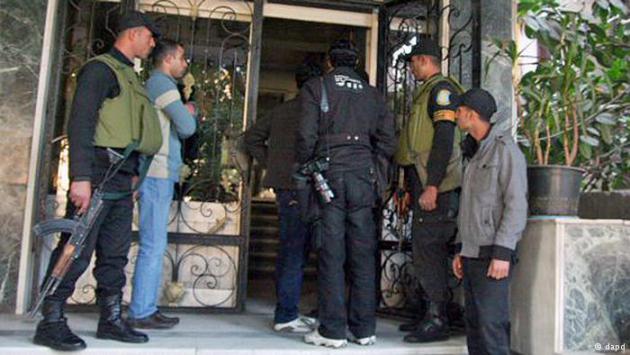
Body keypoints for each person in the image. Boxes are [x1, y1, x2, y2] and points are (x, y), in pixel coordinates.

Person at [33, 11, 161, 351]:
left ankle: (111, 318)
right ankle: (51, 320)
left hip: (122, 177)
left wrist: (134, 173)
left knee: (115, 253)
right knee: (75, 249)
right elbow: (81, 125)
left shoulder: (129, 75)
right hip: (99, 173)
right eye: (150, 36)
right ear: (133, 34)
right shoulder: (100, 70)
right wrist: (81, 178)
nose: (152, 43)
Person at [297, 39, 395, 348]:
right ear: (355, 64)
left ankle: (332, 330)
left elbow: (305, 136)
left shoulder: (318, 87)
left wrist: (308, 165)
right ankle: (364, 328)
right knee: (363, 254)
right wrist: (373, 168)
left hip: (329, 178)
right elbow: (389, 142)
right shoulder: (373, 95)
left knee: (332, 253)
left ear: (329, 62)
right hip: (363, 179)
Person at [244, 62, 322, 333]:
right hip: (306, 188)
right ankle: (286, 314)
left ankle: (287, 310)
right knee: (299, 250)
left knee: (291, 247)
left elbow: (251, 138)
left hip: (284, 187)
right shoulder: (318, 112)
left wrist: (271, 164)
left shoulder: (281, 110)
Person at [395, 40, 464, 343]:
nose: (411, 69)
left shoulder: (442, 90)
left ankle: (437, 319)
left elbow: (444, 139)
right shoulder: (427, 91)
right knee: (424, 250)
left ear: (424, 60)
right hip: (423, 184)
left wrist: (433, 184)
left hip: (438, 186)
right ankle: (429, 313)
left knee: (430, 250)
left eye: (412, 63)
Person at [127, 39, 197, 329]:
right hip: (156, 172)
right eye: (182, 58)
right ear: (168, 59)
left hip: (155, 172)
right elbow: (186, 127)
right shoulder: (163, 85)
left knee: (153, 243)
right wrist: (189, 111)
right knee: (153, 244)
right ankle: (142, 311)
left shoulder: (154, 84)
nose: (185, 64)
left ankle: (145, 308)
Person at [452, 88, 527, 355]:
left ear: (471, 115)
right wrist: (461, 248)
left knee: (491, 328)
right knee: (474, 328)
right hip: (472, 254)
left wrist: (503, 253)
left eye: (459, 111)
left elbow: (516, 205)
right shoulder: (473, 152)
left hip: (493, 256)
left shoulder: (505, 151)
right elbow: (470, 206)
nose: (455, 116)